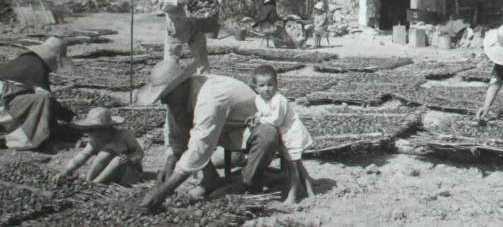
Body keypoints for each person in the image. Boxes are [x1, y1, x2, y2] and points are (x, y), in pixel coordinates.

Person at [136, 59, 281, 211]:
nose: (164, 100)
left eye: (167, 93)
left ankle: (247, 183)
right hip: (222, 128)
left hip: (247, 129)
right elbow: (174, 133)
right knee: (180, 115)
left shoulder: (210, 98)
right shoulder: (179, 99)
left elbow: (200, 145)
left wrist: (164, 191)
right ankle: (210, 178)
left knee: (267, 134)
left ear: (182, 84)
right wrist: (171, 158)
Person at [250, 65, 314, 203]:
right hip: (284, 134)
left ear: (276, 85)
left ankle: (293, 194)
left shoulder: (279, 100)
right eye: (262, 85)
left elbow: (276, 120)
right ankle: (310, 190)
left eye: (270, 85)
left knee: (292, 166)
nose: (266, 89)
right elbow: (262, 111)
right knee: (298, 164)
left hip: (291, 134)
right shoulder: (258, 99)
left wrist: (260, 120)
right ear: (255, 87)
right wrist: (257, 116)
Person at [0, 37, 75, 150]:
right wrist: (69, 118)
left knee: (36, 100)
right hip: (4, 101)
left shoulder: (26, 58)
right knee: (43, 100)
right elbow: (49, 100)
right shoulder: (38, 67)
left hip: (5, 97)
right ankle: (20, 141)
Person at [54, 107, 143, 186]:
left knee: (110, 156)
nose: (95, 133)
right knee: (102, 155)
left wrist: (129, 158)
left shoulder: (123, 135)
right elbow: (82, 156)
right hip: (106, 171)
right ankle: (89, 181)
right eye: (92, 130)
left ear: (109, 128)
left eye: (100, 130)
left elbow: (139, 153)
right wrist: (66, 171)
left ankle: (95, 183)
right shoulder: (95, 139)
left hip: (128, 173)